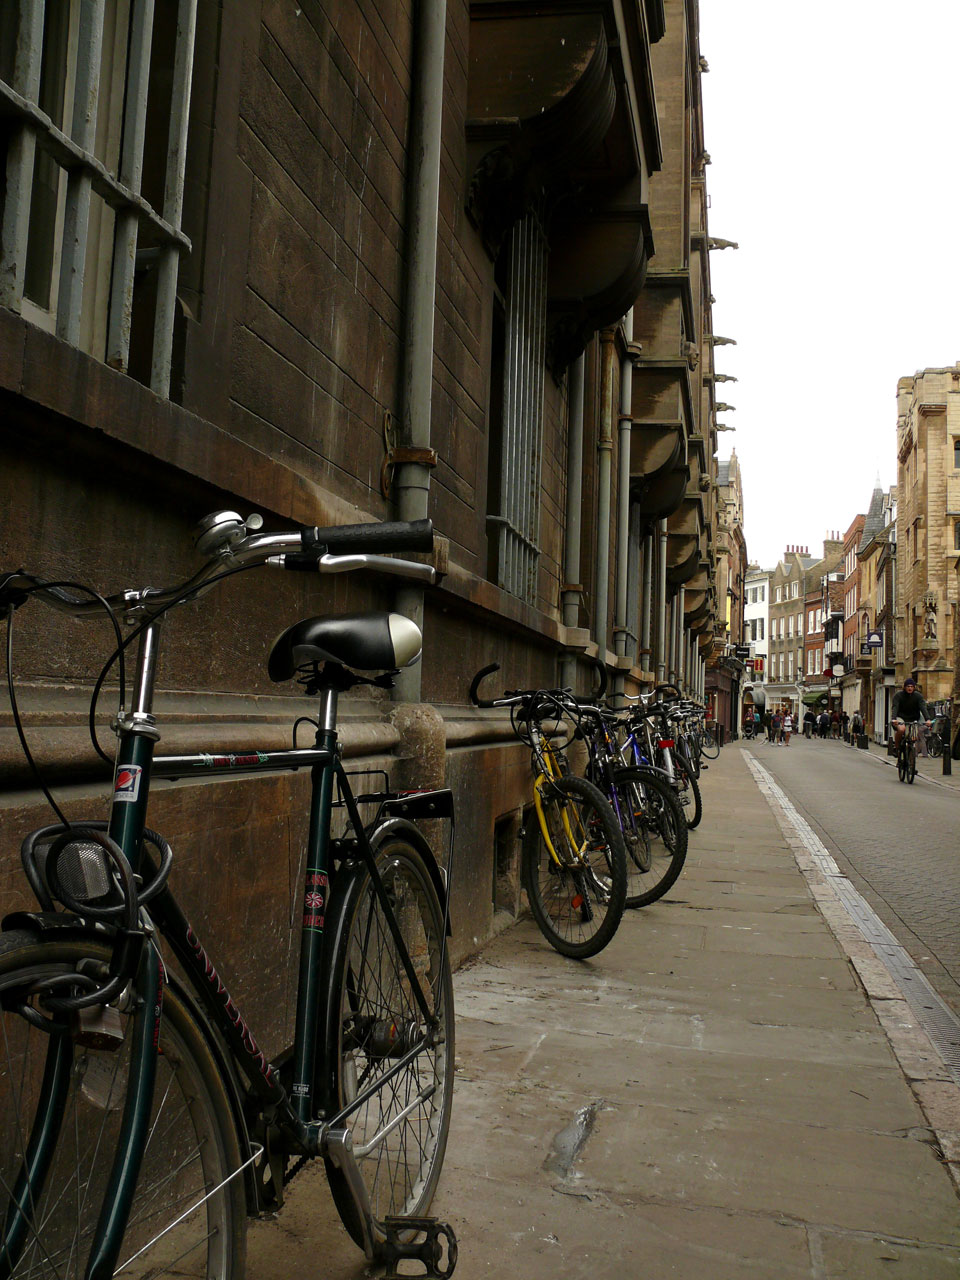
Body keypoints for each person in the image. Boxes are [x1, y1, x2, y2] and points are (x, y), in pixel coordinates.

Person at [890, 677, 932, 757]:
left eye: (911, 686)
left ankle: (910, 758)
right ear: (905, 687)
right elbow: (895, 707)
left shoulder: (918, 696)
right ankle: (897, 747)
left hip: (913, 719)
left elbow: (923, 708)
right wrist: (894, 719)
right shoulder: (898, 696)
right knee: (901, 729)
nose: (910, 688)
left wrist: (928, 719)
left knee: (913, 737)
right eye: (908, 686)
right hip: (901, 717)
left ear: (914, 687)